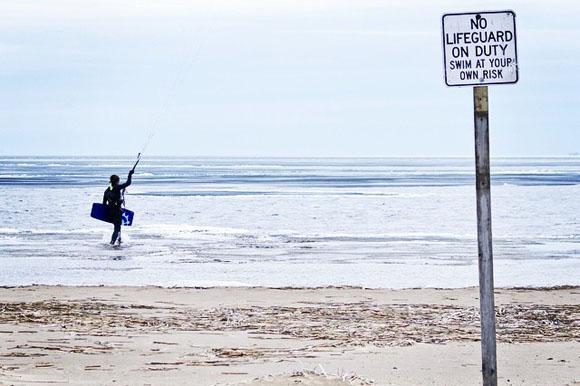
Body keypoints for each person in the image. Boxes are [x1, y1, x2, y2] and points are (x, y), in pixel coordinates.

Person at [103, 170, 134, 245]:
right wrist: (130, 175)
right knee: (117, 228)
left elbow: (104, 203)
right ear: (117, 181)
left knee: (117, 226)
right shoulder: (117, 188)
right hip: (117, 211)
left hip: (110, 211)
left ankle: (119, 241)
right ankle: (112, 243)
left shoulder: (107, 190)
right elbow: (128, 183)